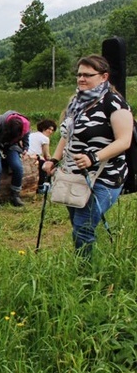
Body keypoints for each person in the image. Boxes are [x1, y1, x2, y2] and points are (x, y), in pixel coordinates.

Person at [42, 55, 133, 258]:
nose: (81, 79)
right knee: (78, 224)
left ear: (103, 77)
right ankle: (86, 262)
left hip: (104, 176)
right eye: (79, 74)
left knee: (83, 227)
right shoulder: (77, 102)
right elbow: (67, 137)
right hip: (74, 175)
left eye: (87, 75)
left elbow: (124, 141)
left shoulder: (114, 103)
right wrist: (53, 160)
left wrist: (94, 157)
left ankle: (86, 274)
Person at [28, 119, 57, 194]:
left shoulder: (32, 134)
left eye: (52, 130)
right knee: (45, 165)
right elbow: (47, 155)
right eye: (49, 129)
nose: (50, 132)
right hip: (34, 157)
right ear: (44, 128)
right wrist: (53, 162)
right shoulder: (45, 138)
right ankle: (41, 187)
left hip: (27, 155)